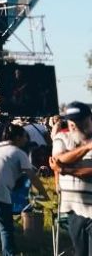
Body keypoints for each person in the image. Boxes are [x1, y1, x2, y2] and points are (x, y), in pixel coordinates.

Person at [0, 123, 49, 256]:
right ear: (18, 138)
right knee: (6, 227)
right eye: (25, 137)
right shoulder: (19, 153)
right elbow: (33, 177)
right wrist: (44, 194)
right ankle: (8, 253)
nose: (26, 139)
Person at [50, 101, 92, 255]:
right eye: (71, 120)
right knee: (80, 252)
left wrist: (65, 170)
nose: (74, 124)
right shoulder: (62, 137)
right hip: (73, 210)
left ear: (89, 119)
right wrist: (87, 147)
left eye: (79, 120)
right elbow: (58, 159)